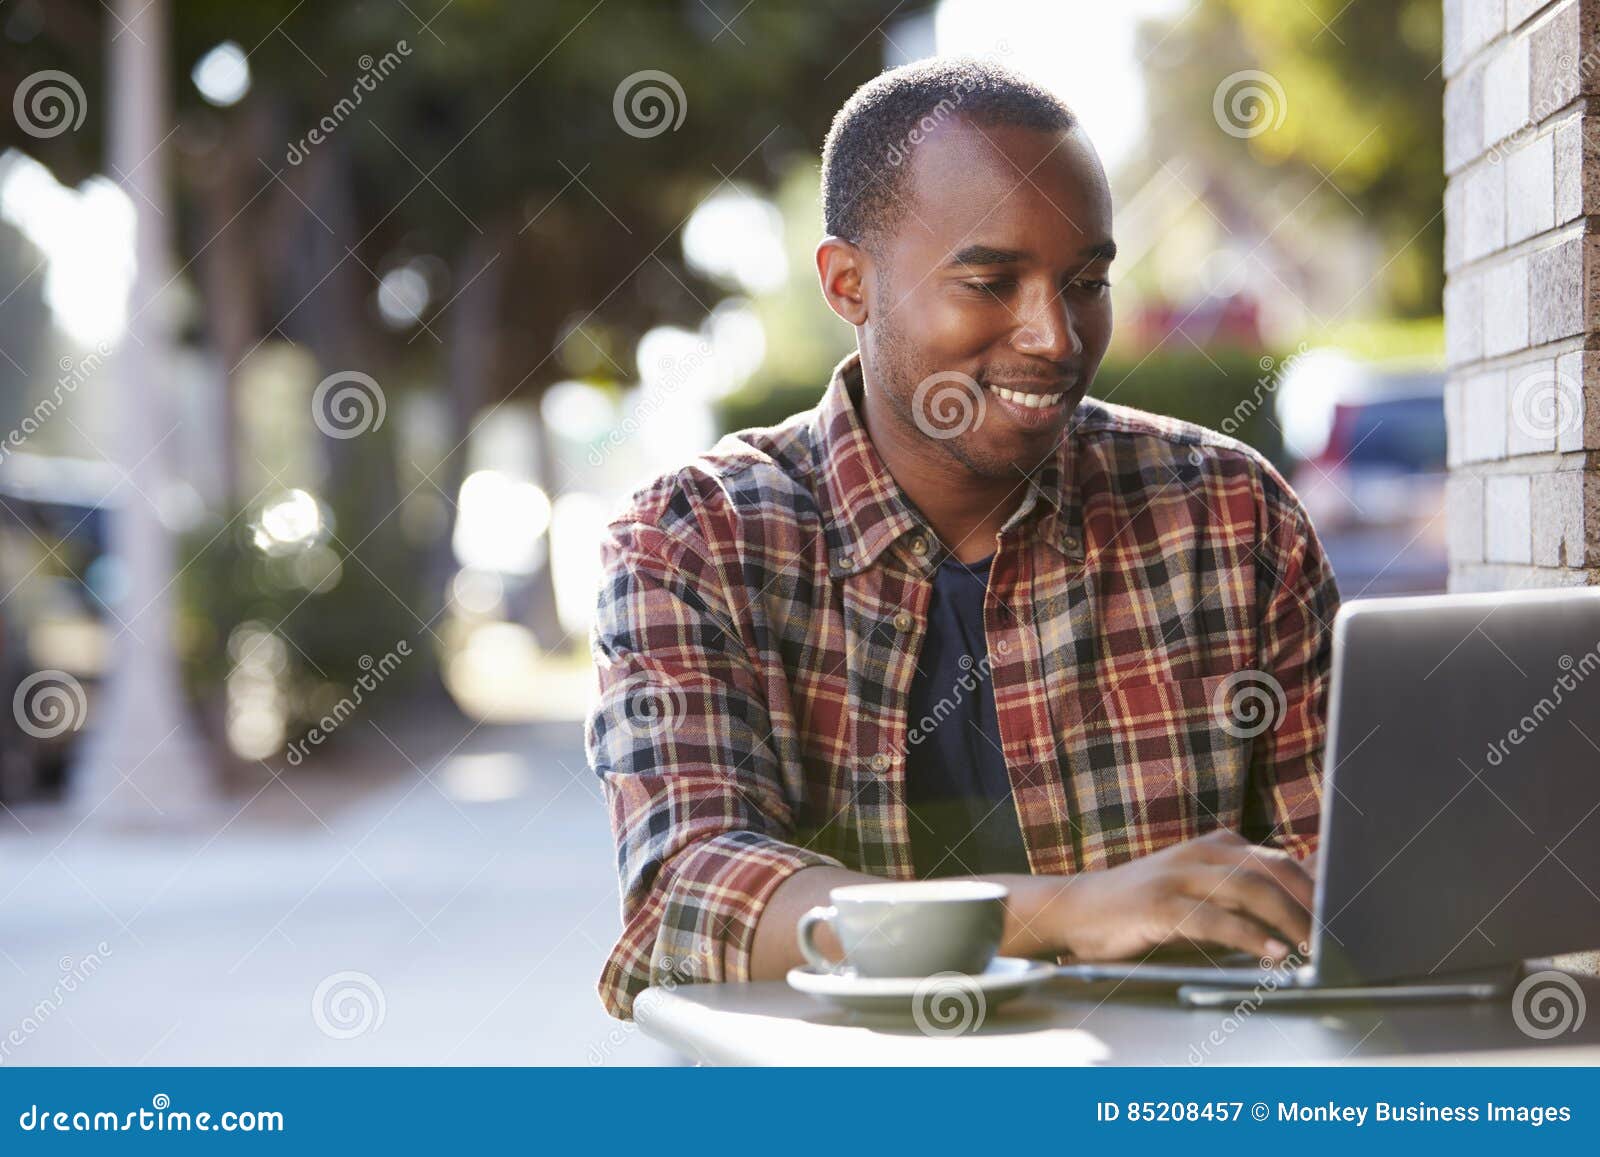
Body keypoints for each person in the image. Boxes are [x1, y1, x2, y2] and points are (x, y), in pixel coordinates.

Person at [587, 58, 1339, 1020]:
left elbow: (1348, 883)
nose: (1057, 337)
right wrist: (1072, 911)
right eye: (991, 281)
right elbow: (686, 898)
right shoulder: (695, 542)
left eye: (1086, 282)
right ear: (849, 282)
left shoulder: (1232, 518)